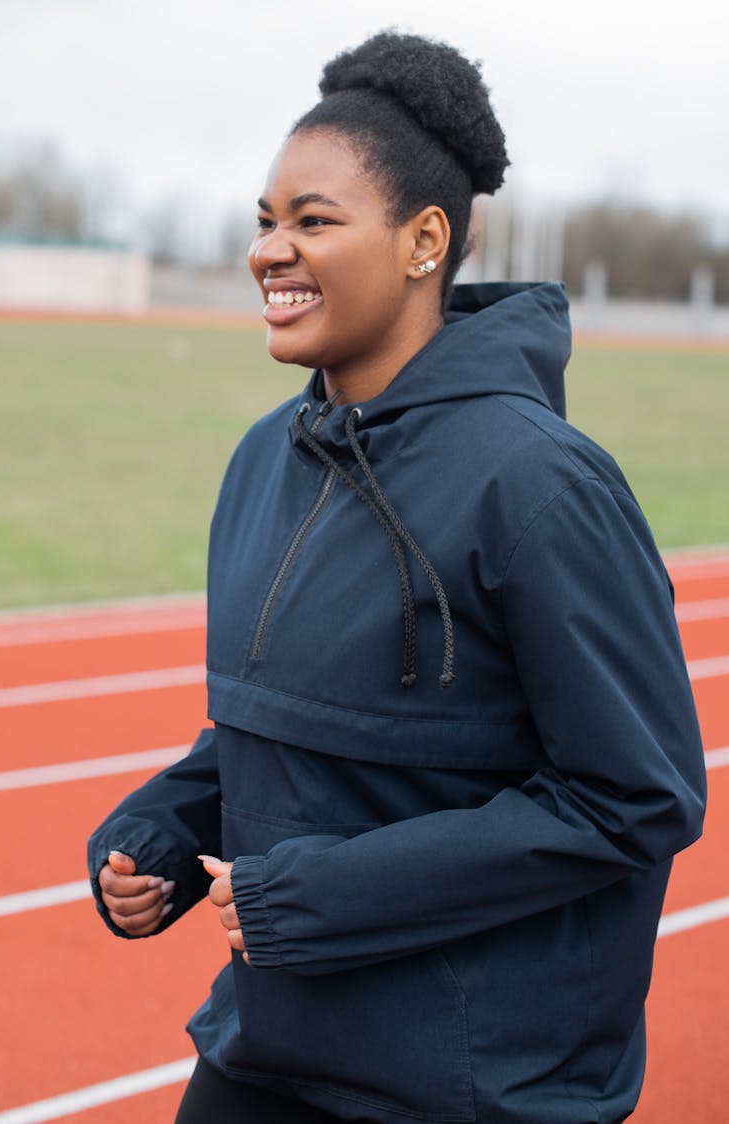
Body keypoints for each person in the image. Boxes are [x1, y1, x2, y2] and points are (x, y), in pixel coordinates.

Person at [88, 31, 707, 1124]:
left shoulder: (542, 485)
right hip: (266, 1040)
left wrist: (322, 893)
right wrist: (167, 827)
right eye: (265, 221)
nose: (269, 250)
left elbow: (634, 794)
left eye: (313, 220)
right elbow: (295, 729)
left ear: (425, 240)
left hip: (470, 1084)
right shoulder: (262, 461)